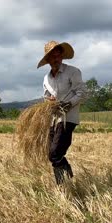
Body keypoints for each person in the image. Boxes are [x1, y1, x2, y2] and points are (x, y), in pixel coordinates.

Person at [37, 41, 88, 185]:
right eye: (53, 56)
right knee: (52, 154)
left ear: (62, 57)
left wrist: (68, 104)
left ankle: (65, 184)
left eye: (59, 56)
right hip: (54, 118)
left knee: (55, 153)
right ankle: (65, 184)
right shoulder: (46, 79)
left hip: (68, 118)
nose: (56, 59)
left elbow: (82, 93)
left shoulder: (73, 72)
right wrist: (49, 101)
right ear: (48, 60)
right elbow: (46, 96)